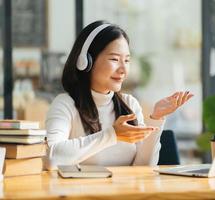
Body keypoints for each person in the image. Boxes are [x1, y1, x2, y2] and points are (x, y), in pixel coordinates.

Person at [45, 20, 193, 169]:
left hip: (124, 191)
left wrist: (157, 118)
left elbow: (143, 167)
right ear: (86, 61)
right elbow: (51, 157)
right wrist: (112, 135)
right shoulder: (65, 104)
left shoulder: (130, 104)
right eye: (114, 59)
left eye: (127, 60)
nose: (123, 69)